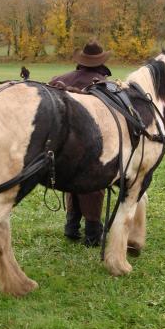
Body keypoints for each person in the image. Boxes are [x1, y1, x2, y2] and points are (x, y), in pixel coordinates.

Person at [49, 40, 112, 247]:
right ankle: (93, 233)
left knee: (72, 180)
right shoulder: (104, 85)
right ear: (100, 62)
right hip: (91, 141)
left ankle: (71, 226)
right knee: (93, 184)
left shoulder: (59, 79)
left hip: (60, 142)